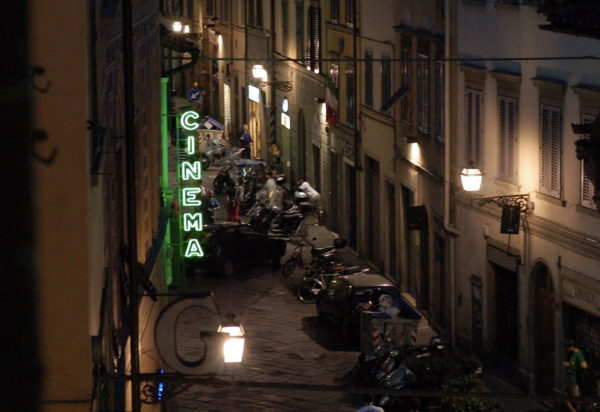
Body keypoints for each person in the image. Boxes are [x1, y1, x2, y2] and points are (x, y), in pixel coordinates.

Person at [563, 339, 589, 412]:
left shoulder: (578, 354)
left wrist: (576, 368)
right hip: (571, 379)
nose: (567, 349)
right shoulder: (572, 354)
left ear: (572, 346)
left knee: (576, 399)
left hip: (575, 380)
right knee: (565, 396)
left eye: (567, 347)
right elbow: (573, 363)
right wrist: (569, 364)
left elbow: (584, 366)